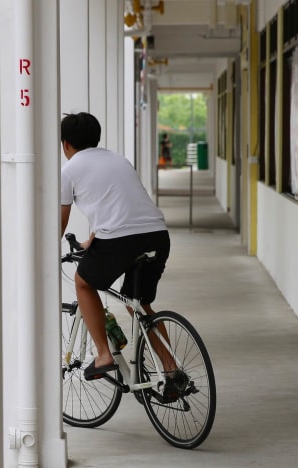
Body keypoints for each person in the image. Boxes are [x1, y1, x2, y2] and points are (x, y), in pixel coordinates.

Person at [60, 112, 173, 381]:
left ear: (65, 144)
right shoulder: (118, 160)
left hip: (121, 240)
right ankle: (171, 369)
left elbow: (59, 223)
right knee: (139, 304)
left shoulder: (69, 171)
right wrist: (93, 239)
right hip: (157, 234)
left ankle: (103, 355)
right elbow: (123, 203)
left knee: (83, 283)